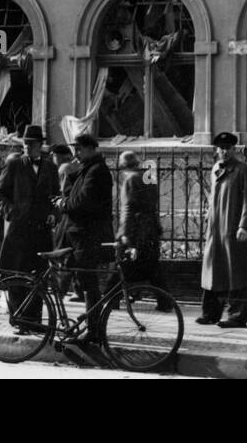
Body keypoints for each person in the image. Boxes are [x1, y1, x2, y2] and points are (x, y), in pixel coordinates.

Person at [0, 124, 59, 323]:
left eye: (32, 144)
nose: (28, 147)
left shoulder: (51, 168)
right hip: (19, 233)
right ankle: (18, 319)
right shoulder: (15, 165)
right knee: (16, 277)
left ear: (40, 145)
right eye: (25, 144)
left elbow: (56, 197)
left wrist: (55, 214)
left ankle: (34, 321)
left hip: (41, 233)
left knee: (38, 279)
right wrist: (11, 212)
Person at [199, 132, 247, 328]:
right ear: (216, 150)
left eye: (227, 148)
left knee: (237, 272)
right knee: (214, 270)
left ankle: (237, 316)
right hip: (216, 230)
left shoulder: (243, 170)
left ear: (234, 149)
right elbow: (213, 196)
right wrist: (209, 214)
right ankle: (211, 313)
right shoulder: (216, 168)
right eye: (221, 148)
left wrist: (244, 226)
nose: (224, 151)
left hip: (233, 229)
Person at [52, 133, 113, 317]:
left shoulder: (96, 171)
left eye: (79, 149)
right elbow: (75, 195)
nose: (75, 153)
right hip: (80, 235)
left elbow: (82, 202)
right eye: (75, 149)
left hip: (88, 235)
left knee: (88, 282)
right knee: (84, 279)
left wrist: (63, 204)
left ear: (91, 149)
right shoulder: (87, 169)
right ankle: (89, 324)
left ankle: (93, 328)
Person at [111, 151, 172, 307]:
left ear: (123, 165)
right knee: (152, 267)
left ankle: (111, 299)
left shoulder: (130, 180)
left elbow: (128, 208)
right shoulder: (149, 178)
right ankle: (165, 301)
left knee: (123, 266)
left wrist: (124, 232)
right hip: (150, 227)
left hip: (136, 230)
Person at [49, 143, 81, 297]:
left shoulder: (64, 169)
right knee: (74, 254)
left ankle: (59, 290)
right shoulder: (76, 166)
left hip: (65, 216)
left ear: (59, 156)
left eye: (53, 155)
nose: (52, 159)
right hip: (77, 216)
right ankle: (79, 290)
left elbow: (61, 193)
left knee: (60, 253)